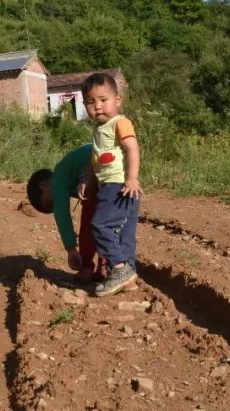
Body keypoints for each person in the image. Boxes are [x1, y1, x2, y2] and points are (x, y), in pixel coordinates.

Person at [80, 72, 140, 297]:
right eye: (90, 102)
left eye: (103, 100)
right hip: (112, 185)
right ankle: (129, 276)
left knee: (101, 225)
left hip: (120, 185)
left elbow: (132, 149)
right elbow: (94, 159)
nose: (97, 106)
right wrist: (87, 179)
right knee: (124, 232)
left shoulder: (120, 122)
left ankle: (119, 268)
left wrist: (132, 178)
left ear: (118, 100)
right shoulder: (98, 129)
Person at [26, 144, 106, 283]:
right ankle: (104, 265)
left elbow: (62, 213)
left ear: (44, 185)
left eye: (50, 203)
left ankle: (86, 267)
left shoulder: (59, 176)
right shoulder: (68, 174)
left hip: (98, 167)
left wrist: (70, 248)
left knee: (88, 222)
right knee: (106, 222)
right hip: (111, 167)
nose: (55, 205)